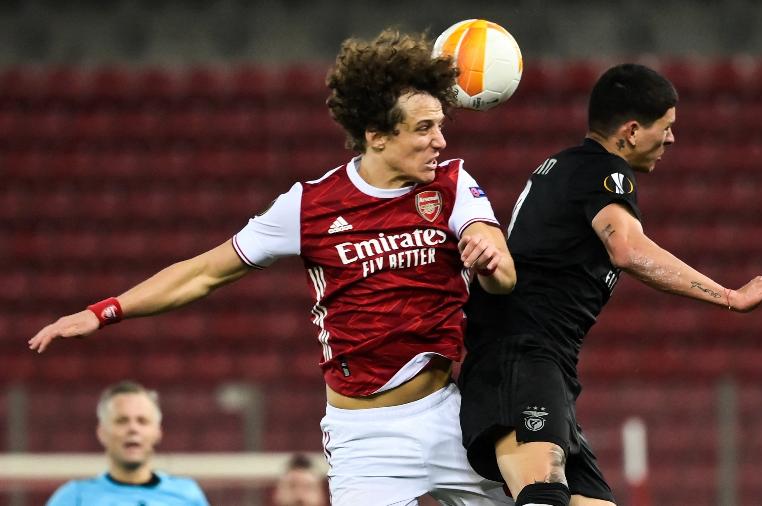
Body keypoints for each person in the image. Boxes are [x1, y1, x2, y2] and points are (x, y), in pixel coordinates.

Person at [29, 28, 515, 506]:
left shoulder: (451, 184)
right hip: (367, 440)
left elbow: (503, 267)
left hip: (446, 412)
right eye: (424, 128)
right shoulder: (309, 205)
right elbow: (205, 272)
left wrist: (488, 254)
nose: (440, 141)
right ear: (378, 136)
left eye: (440, 125)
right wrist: (105, 310)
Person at [458, 63, 762, 506]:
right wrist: (729, 296)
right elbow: (628, 250)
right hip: (521, 358)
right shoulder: (605, 172)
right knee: (543, 497)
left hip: (542, 363)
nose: (671, 139)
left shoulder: (568, 167)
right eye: (666, 127)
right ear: (631, 131)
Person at [46, 381, 209, 505]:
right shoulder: (74, 497)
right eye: (122, 421)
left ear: (157, 432)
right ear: (102, 432)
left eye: (142, 421)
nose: (133, 428)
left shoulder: (187, 494)